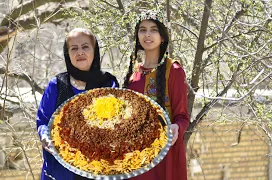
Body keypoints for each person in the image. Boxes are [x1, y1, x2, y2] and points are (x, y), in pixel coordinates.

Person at [36, 28, 119, 180]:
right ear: (68, 54)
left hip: (98, 168)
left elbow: (116, 123)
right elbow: (43, 121)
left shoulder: (108, 83)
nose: (80, 52)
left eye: (85, 46)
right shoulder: (57, 85)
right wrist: (45, 135)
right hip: (62, 170)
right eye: (74, 48)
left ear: (95, 51)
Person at [123, 9, 189, 180]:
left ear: (163, 37)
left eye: (153, 29)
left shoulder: (173, 71)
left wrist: (176, 128)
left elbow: (182, 116)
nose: (148, 34)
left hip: (164, 156)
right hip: (135, 156)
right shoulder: (133, 73)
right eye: (142, 29)